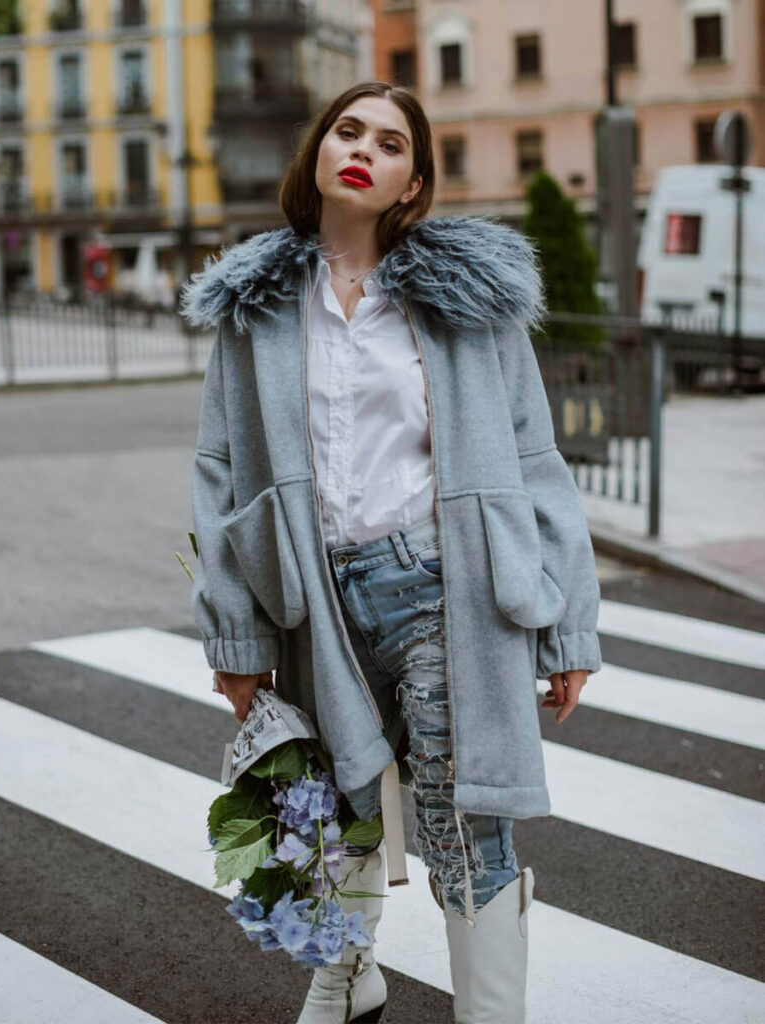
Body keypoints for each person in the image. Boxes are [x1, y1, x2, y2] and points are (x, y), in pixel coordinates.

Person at [182, 80, 602, 1024]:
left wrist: (568, 619)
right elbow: (218, 475)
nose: (365, 148)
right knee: (337, 810)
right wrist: (235, 640)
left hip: (443, 589)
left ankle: (490, 1012)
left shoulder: (468, 298)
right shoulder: (255, 307)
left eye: (392, 142)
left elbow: (536, 457)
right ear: (320, 152)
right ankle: (347, 972)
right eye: (348, 130)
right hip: (315, 602)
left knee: (461, 817)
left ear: (413, 182)